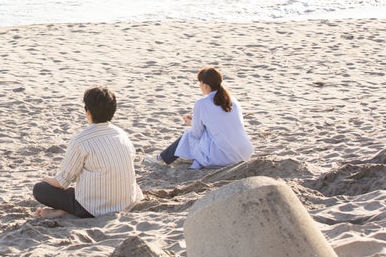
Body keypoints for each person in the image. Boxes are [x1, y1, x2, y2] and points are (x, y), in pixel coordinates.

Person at [32, 86, 142, 218]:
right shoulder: (122, 134)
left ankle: (68, 211)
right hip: (127, 202)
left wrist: (45, 179)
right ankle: (68, 209)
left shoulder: (81, 140)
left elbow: (62, 182)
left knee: (40, 189)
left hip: (93, 207)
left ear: (88, 113)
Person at [147, 67, 253, 169]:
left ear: (205, 85)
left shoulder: (202, 103)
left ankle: (161, 159)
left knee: (188, 134)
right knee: (207, 135)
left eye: (200, 83)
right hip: (244, 153)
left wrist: (192, 123)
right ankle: (165, 157)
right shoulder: (233, 100)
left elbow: (196, 134)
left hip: (224, 157)